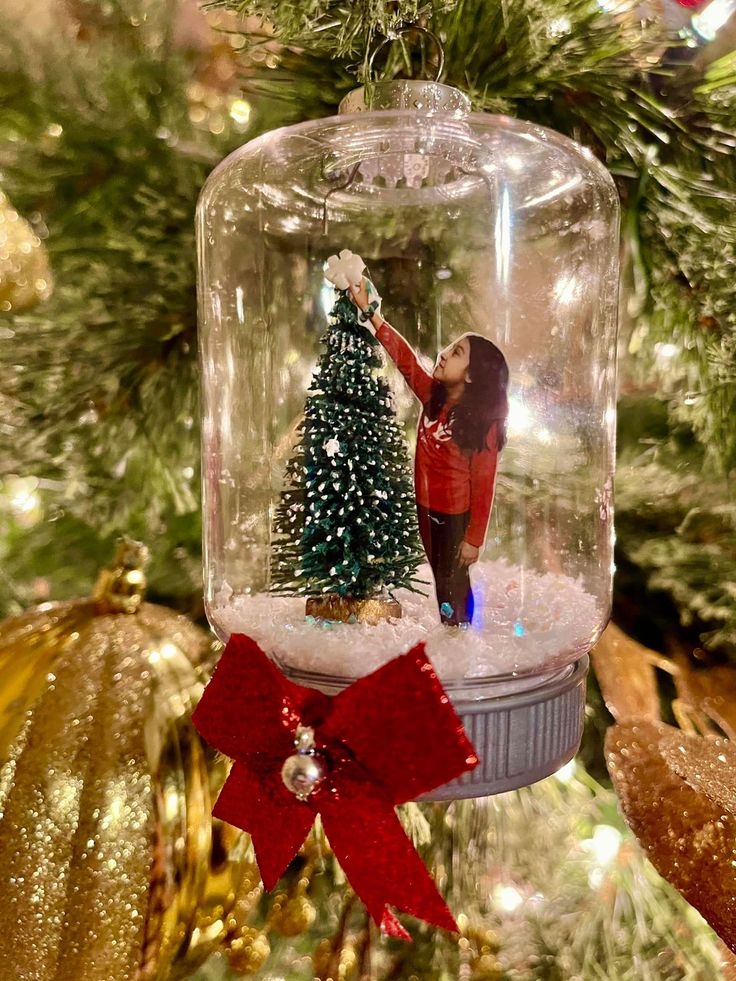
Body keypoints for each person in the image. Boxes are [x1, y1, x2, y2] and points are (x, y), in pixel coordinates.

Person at [348, 276, 509, 626]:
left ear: (471, 376)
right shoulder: (432, 397)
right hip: (426, 507)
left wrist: (474, 539)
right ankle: (448, 621)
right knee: (440, 573)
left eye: (457, 354)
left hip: (455, 517)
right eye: (450, 347)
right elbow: (406, 360)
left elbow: (484, 485)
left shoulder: (483, 428)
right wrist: (374, 316)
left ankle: (461, 627)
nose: (444, 354)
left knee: (454, 576)